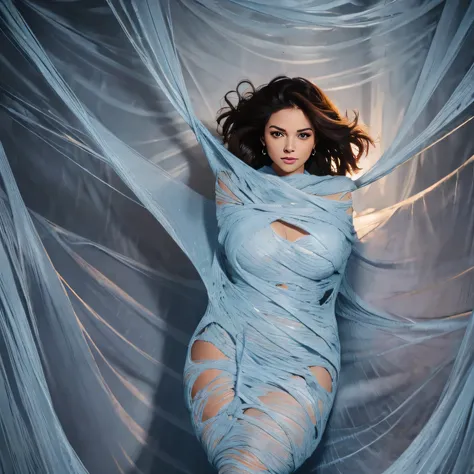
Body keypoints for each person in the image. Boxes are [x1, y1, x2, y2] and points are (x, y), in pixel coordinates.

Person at [183, 76, 374, 473]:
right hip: (225, 343)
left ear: (316, 138)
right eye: (278, 133)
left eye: (302, 135)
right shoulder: (234, 185)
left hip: (305, 354)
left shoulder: (338, 193)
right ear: (263, 135)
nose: (289, 146)